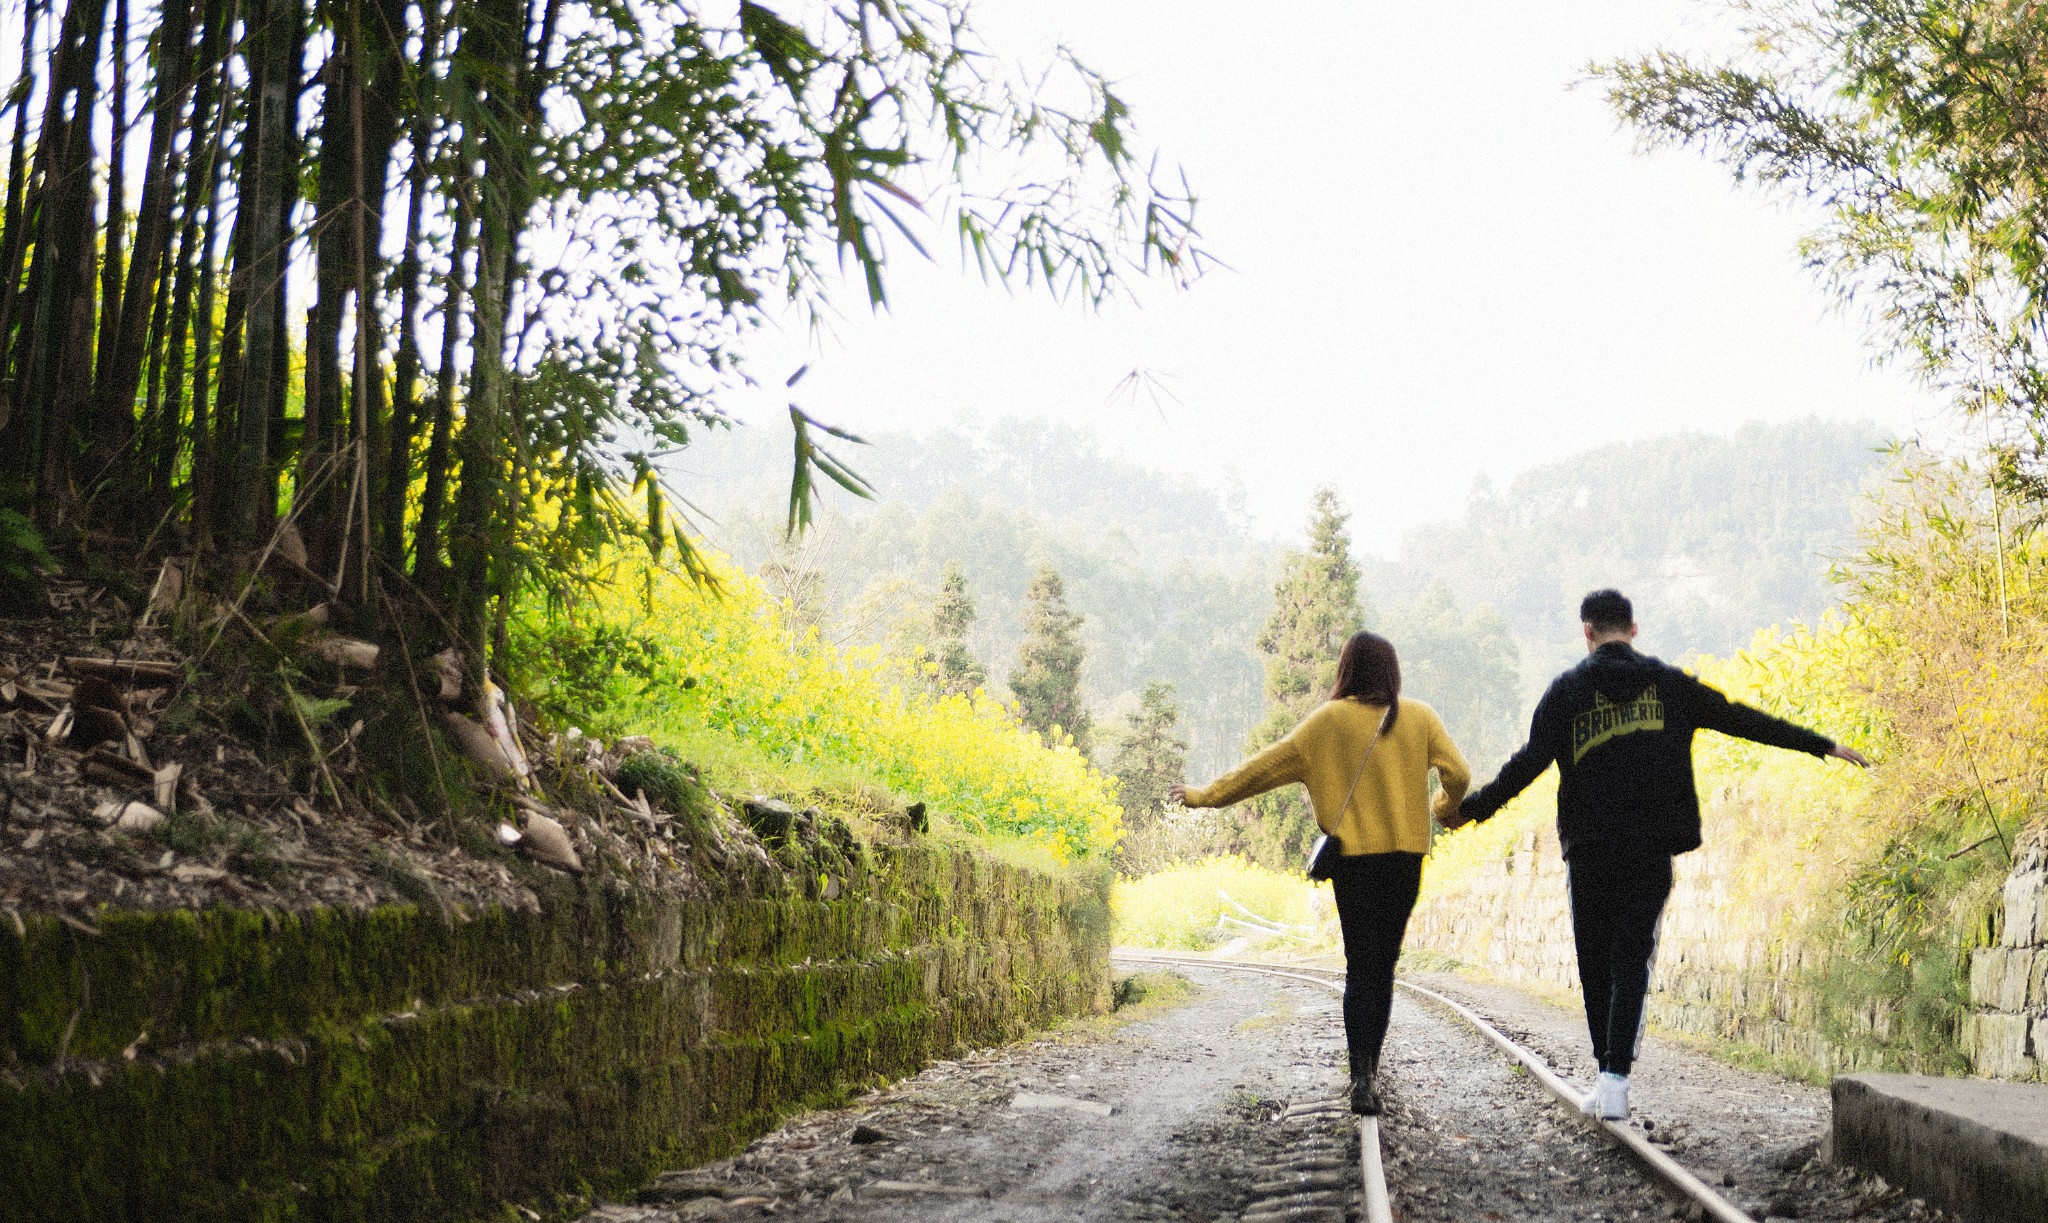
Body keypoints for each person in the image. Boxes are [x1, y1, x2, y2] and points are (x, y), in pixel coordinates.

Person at [1445, 589, 1869, 1121]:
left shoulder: (1567, 692)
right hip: (1650, 845)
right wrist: (1819, 743)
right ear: (1633, 629)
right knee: (1631, 957)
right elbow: (1742, 719)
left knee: (1595, 960)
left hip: (1591, 848)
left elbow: (1525, 765)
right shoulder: (1670, 685)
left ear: (1587, 632)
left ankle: (1608, 1070)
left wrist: (1472, 810)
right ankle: (1614, 1077)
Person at [1169, 631, 1470, 1116]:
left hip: (1353, 865)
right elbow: (1459, 773)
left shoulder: (1327, 723)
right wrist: (1441, 808)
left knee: (1359, 967)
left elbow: (1261, 770)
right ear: (1392, 671)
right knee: (1383, 968)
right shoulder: (1419, 717)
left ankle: (1360, 1077)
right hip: (1404, 862)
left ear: (1345, 671)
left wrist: (1205, 795)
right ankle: (1371, 1068)